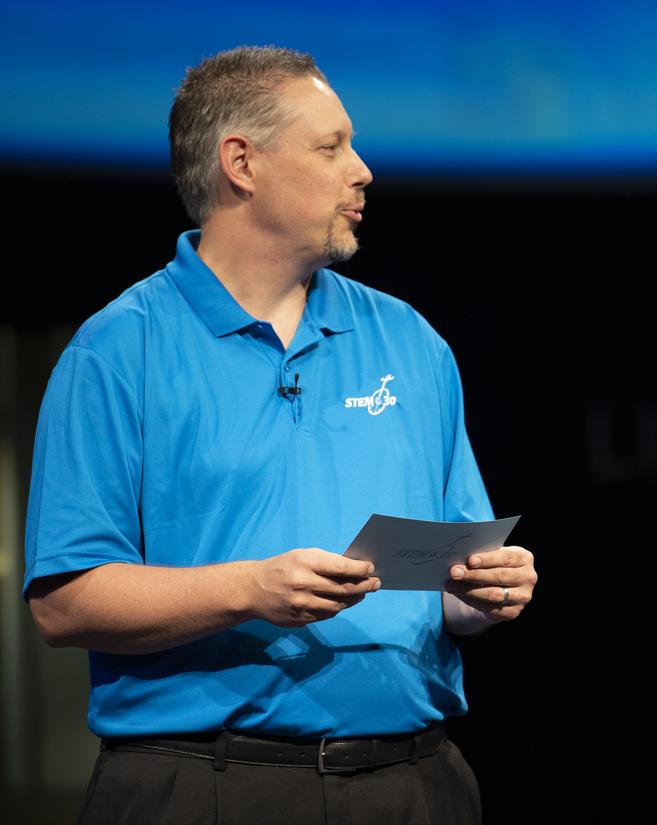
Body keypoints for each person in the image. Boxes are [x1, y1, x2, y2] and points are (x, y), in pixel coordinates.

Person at [23, 46, 537, 825]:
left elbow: (449, 583)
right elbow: (64, 602)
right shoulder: (119, 350)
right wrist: (252, 589)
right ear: (242, 163)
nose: (362, 170)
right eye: (330, 147)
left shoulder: (410, 341)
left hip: (413, 781)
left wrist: (485, 590)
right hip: (207, 784)